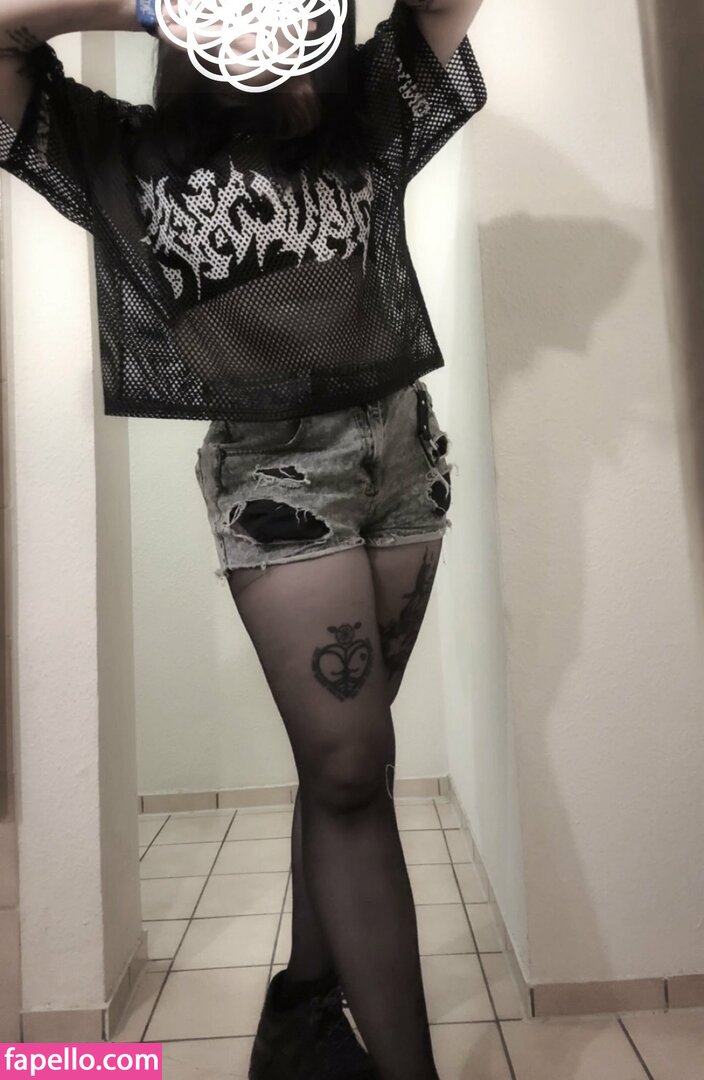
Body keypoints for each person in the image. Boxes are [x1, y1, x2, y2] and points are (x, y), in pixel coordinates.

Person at [0, 0, 486, 1076]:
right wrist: (151, 4)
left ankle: (303, 1006)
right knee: (352, 771)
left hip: (403, 457)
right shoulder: (116, 151)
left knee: (344, 766)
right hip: (276, 479)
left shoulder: (367, 112)